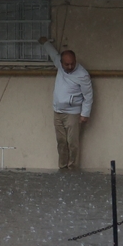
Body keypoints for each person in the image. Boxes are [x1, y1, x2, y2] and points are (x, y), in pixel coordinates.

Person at [39, 37, 93, 171]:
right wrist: (45, 43)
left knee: (72, 142)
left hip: (72, 113)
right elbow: (53, 54)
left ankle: (72, 167)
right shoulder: (60, 66)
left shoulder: (82, 75)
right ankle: (62, 167)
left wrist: (85, 114)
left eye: (72, 64)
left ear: (75, 61)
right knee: (61, 142)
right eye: (66, 64)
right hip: (58, 111)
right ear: (61, 63)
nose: (69, 67)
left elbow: (88, 95)